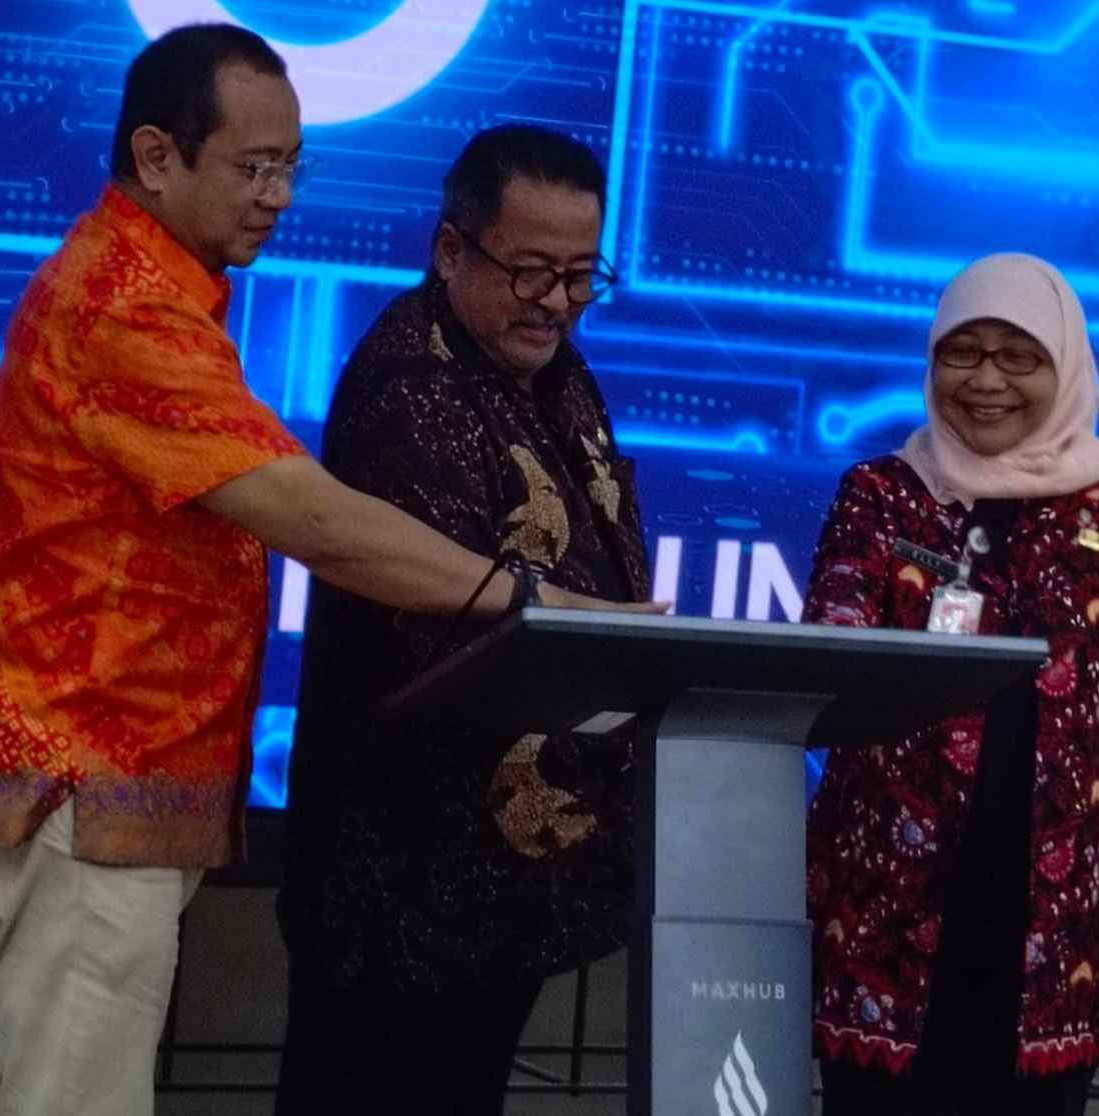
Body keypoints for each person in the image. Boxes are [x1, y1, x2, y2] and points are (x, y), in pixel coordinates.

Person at [0, 31, 645, 1116]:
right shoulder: (122, 305)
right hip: (79, 778)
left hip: (110, 785)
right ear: (157, 156)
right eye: (253, 167)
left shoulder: (167, 292)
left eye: (291, 166)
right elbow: (312, 518)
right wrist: (532, 600)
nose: (279, 197)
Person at [273, 125, 649, 1116]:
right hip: (405, 893)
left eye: (580, 275)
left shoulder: (552, 370)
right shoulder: (411, 386)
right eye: (529, 271)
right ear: (451, 249)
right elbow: (453, 638)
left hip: (506, 888)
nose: (556, 301)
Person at [802, 253, 1099, 1115]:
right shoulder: (881, 498)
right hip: (881, 923)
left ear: (1065, 365)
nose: (985, 381)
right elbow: (830, 653)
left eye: (1019, 357)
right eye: (962, 353)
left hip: (1059, 939)